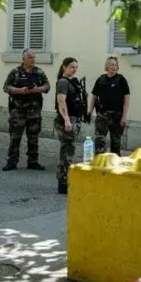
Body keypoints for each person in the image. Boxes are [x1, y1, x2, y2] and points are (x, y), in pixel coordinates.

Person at [2, 48, 51, 171]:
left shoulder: (39, 72)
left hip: (34, 111)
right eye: (30, 57)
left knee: (33, 137)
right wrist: (20, 90)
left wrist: (37, 89)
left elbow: (47, 86)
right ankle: (12, 161)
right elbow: (6, 87)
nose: (32, 59)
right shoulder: (15, 72)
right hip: (18, 111)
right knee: (15, 137)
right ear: (23, 59)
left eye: (34, 57)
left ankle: (33, 161)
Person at [54, 57, 88, 194]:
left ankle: (65, 181)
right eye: (72, 67)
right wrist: (67, 120)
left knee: (68, 151)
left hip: (74, 119)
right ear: (64, 67)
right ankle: (63, 182)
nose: (74, 69)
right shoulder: (63, 82)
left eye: (76, 67)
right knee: (67, 153)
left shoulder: (72, 81)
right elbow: (61, 102)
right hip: (66, 120)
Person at [88, 56, 130, 155]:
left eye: (116, 65)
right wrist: (90, 111)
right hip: (102, 115)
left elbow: (127, 99)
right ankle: (100, 164)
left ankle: (115, 165)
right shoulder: (100, 80)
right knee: (100, 141)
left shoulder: (121, 80)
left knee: (116, 142)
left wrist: (124, 117)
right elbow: (94, 97)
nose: (114, 67)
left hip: (117, 115)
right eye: (112, 64)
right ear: (107, 66)